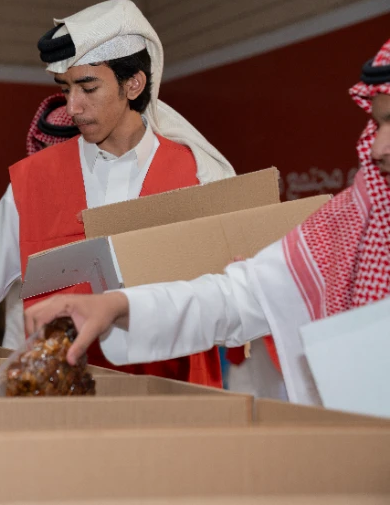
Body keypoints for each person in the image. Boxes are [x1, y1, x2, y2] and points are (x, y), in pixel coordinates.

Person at [0, 0, 235, 387]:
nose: (73, 107)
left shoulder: (198, 177)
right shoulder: (34, 180)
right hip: (65, 397)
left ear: (133, 84)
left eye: (88, 87)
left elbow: (232, 293)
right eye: (66, 88)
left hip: (177, 398)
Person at [24, 38, 390, 406]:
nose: (377, 148)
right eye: (378, 124)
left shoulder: (187, 168)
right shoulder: (355, 220)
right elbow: (237, 297)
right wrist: (118, 306)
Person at [0, 94, 80, 350]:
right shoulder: (24, 195)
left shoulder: (109, 197)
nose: (49, 160)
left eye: (60, 151)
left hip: (95, 350)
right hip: (24, 343)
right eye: (44, 149)